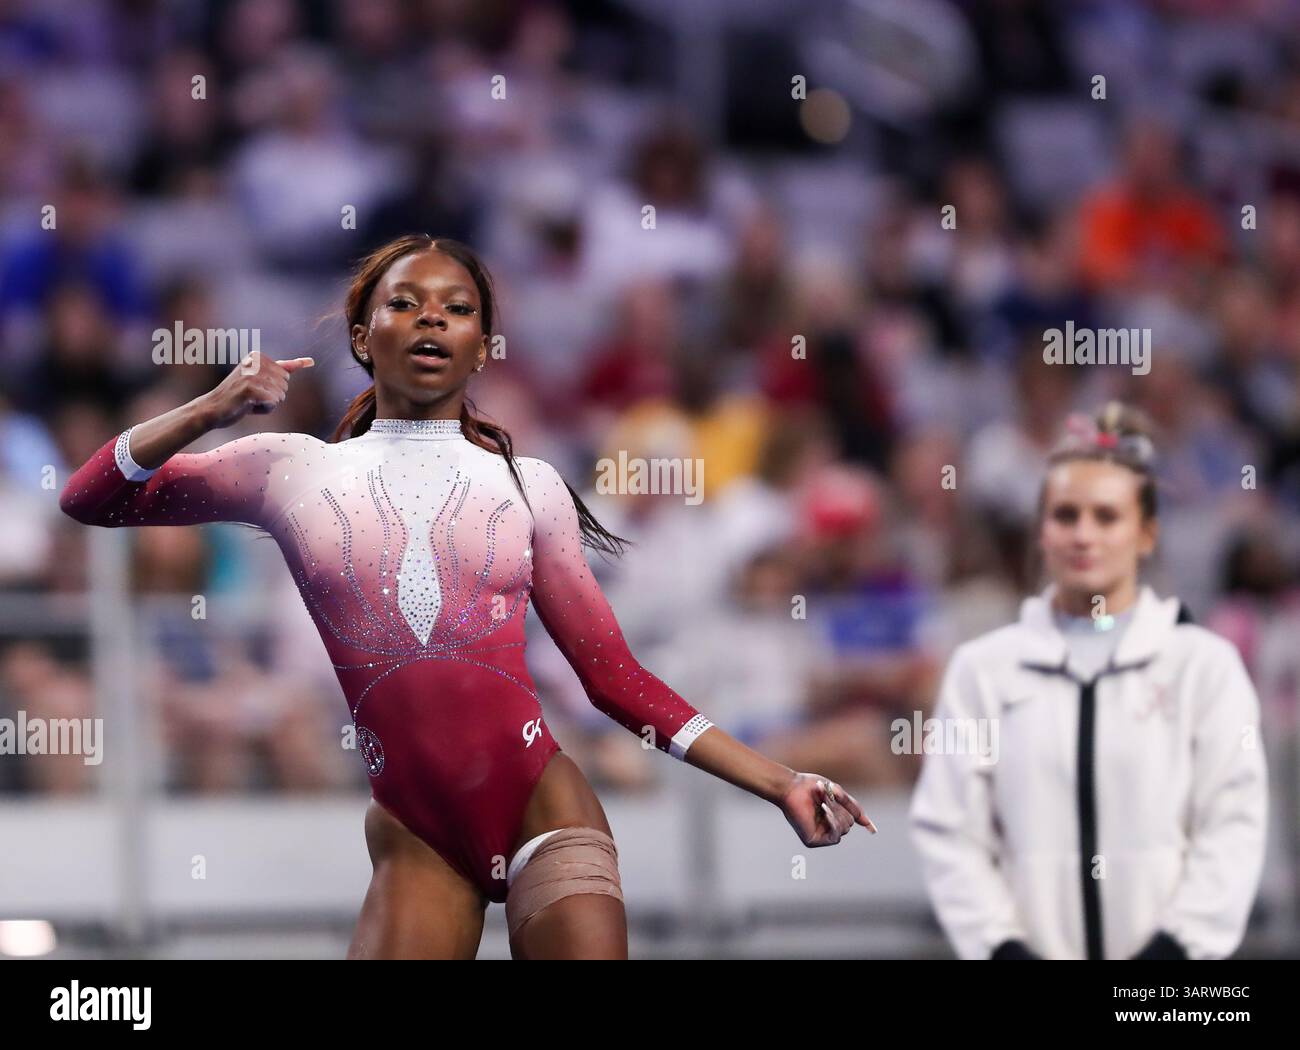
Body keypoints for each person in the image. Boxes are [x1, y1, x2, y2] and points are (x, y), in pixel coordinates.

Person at [59, 233, 875, 960]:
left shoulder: (529, 488)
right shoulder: (289, 470)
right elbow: (89, 498)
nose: (429, 321)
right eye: (404, 304)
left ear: (482, 347)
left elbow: (614, 678)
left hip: (542, 805)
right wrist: (212, 408)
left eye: (455, 310)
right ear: (360, 335)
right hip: (418, 838)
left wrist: (779, 782)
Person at [909, 403, 1268, 960]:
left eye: (1106, 516)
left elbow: (1233, 825)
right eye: (1065, 515)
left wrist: (1175, 951)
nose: (1083, 535)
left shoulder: (1203, 666)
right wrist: (1001, 948)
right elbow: (950, 830)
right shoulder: (984, 671)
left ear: (1146, 533)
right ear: (1041, 531)